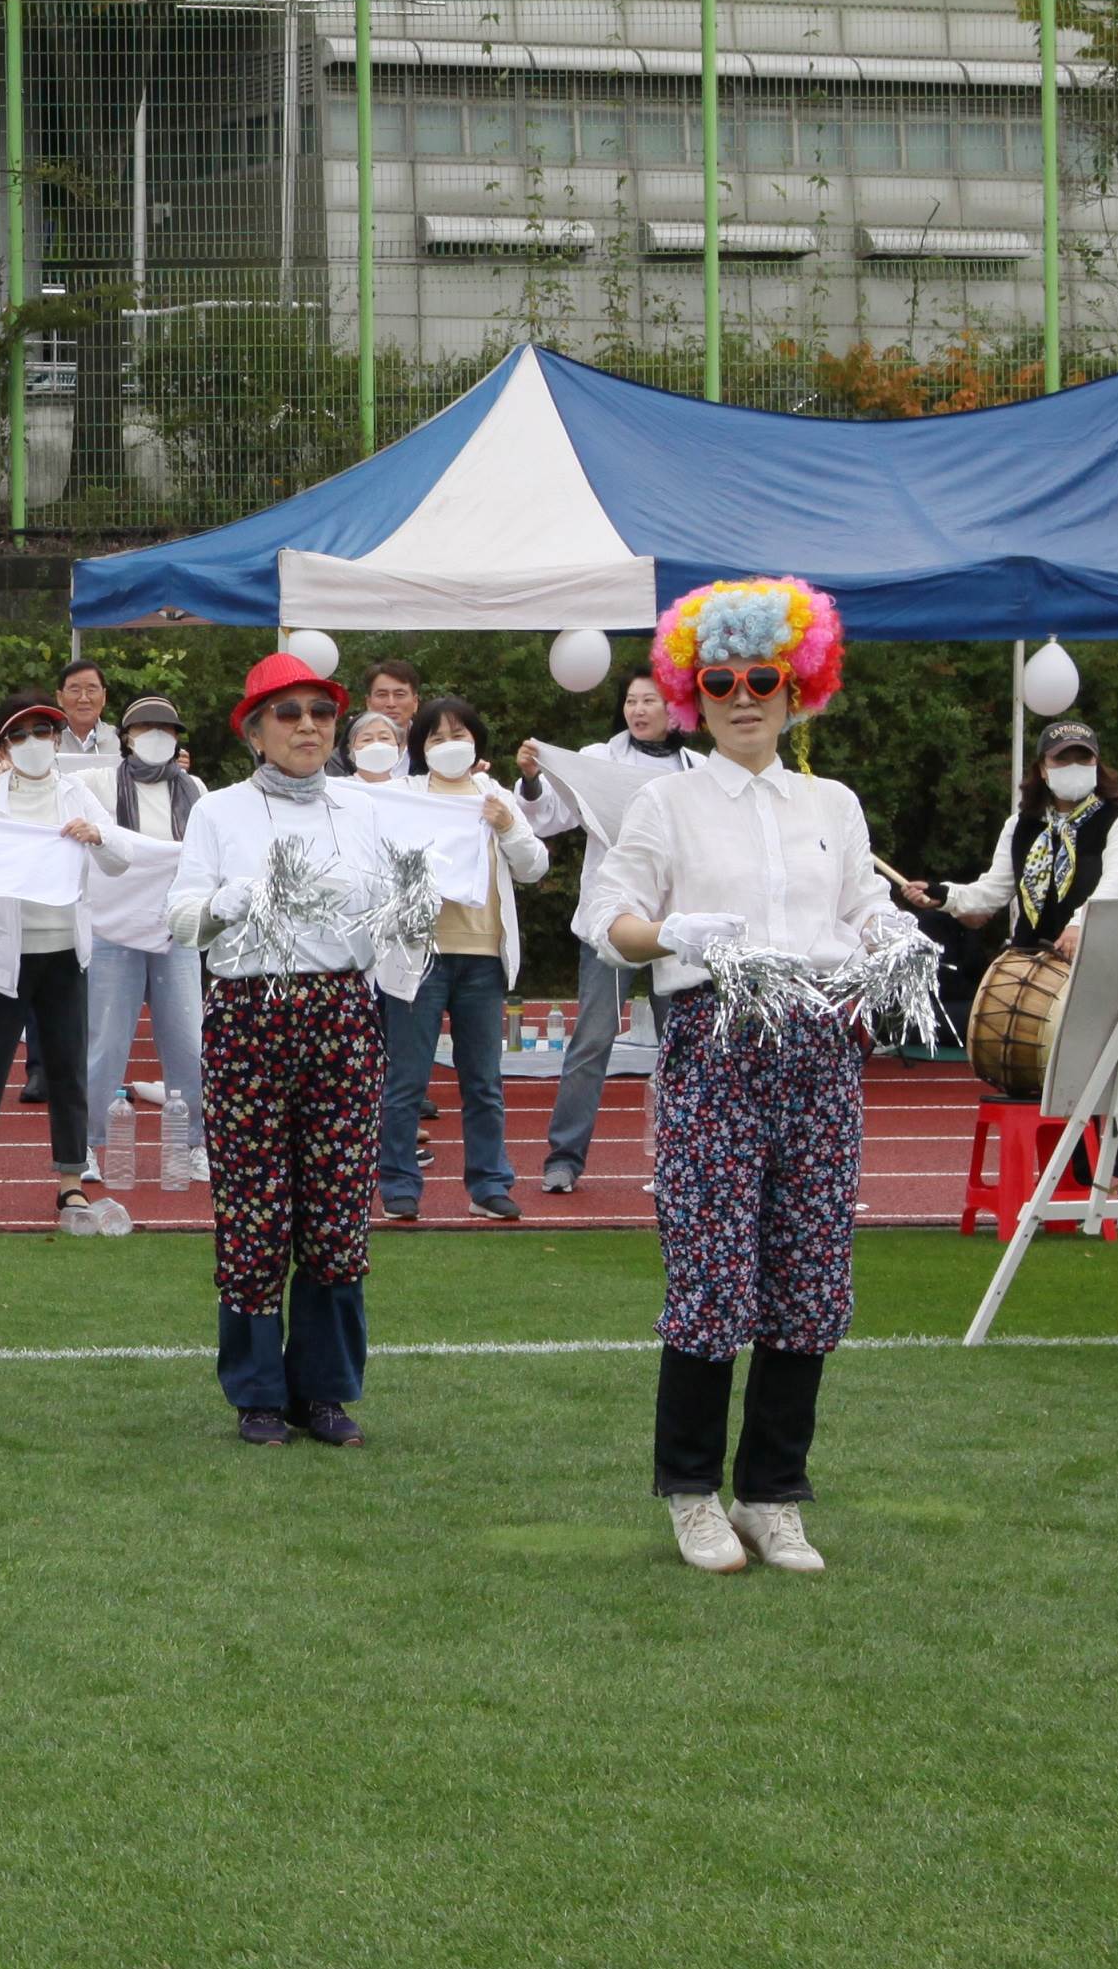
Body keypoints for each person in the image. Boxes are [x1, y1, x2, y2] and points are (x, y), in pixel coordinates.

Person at [591, 576, 900, 1578]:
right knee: (711, 1273)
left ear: (796, 684)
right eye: (717, 680)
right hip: (714, 1044)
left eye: (761, 677)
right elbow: (606, 918)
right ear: (692, 692)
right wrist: (669, 933)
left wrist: (888, 932)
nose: (741, 697)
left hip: (819, 1048)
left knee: (808, 1277)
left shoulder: (831, 802)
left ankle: (771, 1494)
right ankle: (690, 1493)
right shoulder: (664, 800)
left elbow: (858, 907)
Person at [163, 654, 395, 1447]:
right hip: (249, 1014)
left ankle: (324, 1391)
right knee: (253, 1207)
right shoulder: (217, 811)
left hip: (341, 1012)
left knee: (337, 1209)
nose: (307, 726)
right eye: (287, 713)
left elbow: (388, 915)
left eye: (320, 713)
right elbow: (180, 920)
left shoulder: (363, 810)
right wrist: (228, 902)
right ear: (254, 731)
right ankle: (256, 1393)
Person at [0, 694, 142, 1231]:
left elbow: (122, 857)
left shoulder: (77, 794)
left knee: (67, 1070)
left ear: (57, 740)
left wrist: (98, 836)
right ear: (3, 746)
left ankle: (70, 1181)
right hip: (1, 958)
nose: (33, 743)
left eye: (42, 732)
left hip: (64, 952)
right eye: (20, 735)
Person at [368, 694, 549, 1225]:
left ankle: (489, 1185)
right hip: (419, 957)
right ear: (420, 747)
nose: (449, 745)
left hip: (482, 957)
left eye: (459, 735)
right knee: (406, 1079)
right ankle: (398, 1184)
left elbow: (534, 867)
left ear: (476, 742)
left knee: (484, 1082)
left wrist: (508, 825)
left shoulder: (495, 795)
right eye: (437, 737)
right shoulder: (403, 795)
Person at [517, 667, 695, 1197]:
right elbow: (547, 817)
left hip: (674, 928)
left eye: (651, 700)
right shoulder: (597, 759)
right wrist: (533, 779)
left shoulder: (698, 770)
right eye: (631, 701)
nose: (638, 710)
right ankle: (563, 1159)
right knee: (592, 1040)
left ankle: (685, 1160)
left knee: (683, 1047)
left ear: (676, 710)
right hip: (611, 923)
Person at [901, 717, 1118, 966]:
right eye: (1062, 759)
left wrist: (1079, 924)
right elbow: (994, 891)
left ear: (1096, 764)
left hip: (1100, 959)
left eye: (1083, 759)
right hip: (1029, 958)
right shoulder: (1020, 826)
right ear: (1043, 769)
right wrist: (944, 895)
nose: (1073, 766)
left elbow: (1115, 885)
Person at [83, 692, 206, 1186]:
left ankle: (195, 1142)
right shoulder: (97, 783)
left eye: (167, 729)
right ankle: (86, 1144)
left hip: (177, 927)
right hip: (115, 928)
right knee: (105, 1041)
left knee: (188, 1040)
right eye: (144, 728)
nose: (156, 736)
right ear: (126, 737)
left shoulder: (194, 788)